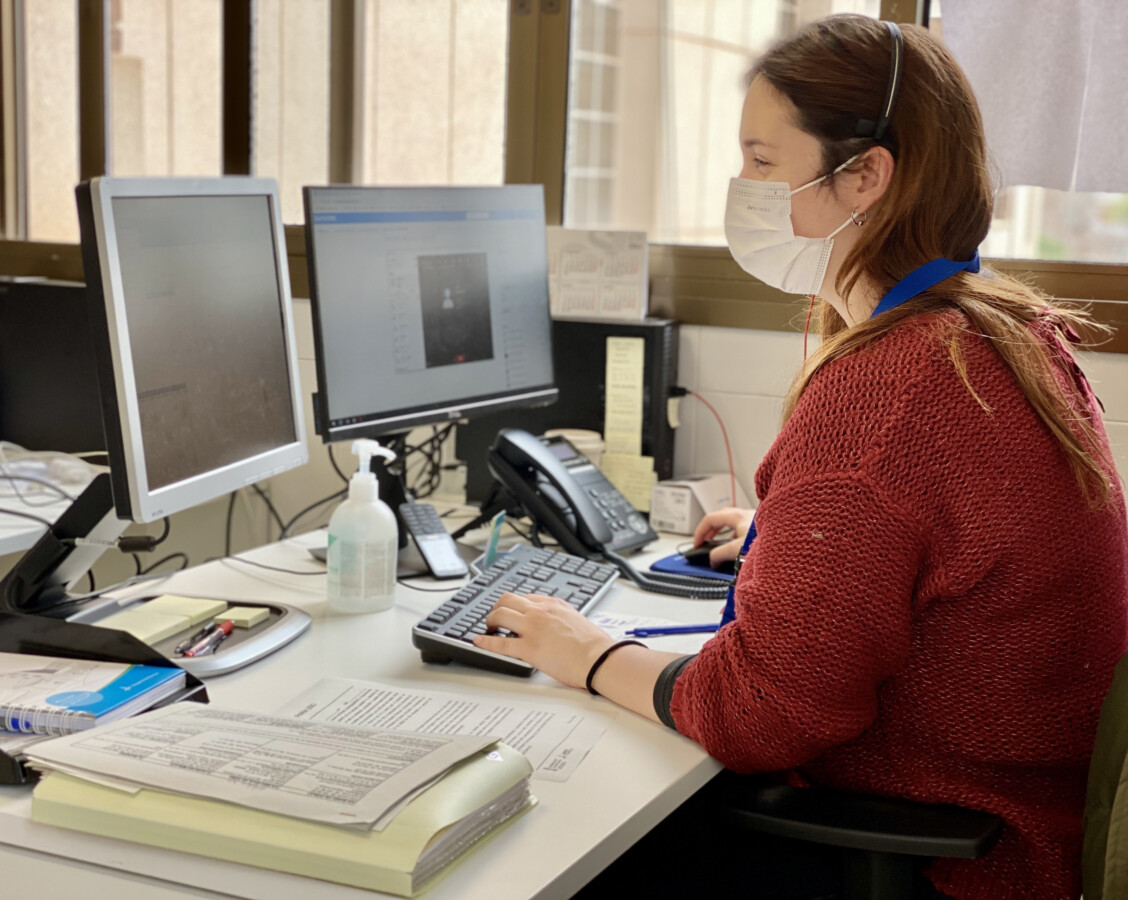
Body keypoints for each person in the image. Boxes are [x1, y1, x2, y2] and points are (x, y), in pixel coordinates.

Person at [472, 14, 1128, 900]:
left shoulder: (890, 388)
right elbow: (940, 538)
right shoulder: (1000, 331)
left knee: (556, 850)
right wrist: (792, 539)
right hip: (1024, 821)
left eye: (761, 161)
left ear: (865, 175)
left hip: (944, 860)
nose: (740, 185)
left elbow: (761, 716)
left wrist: (585, 651)